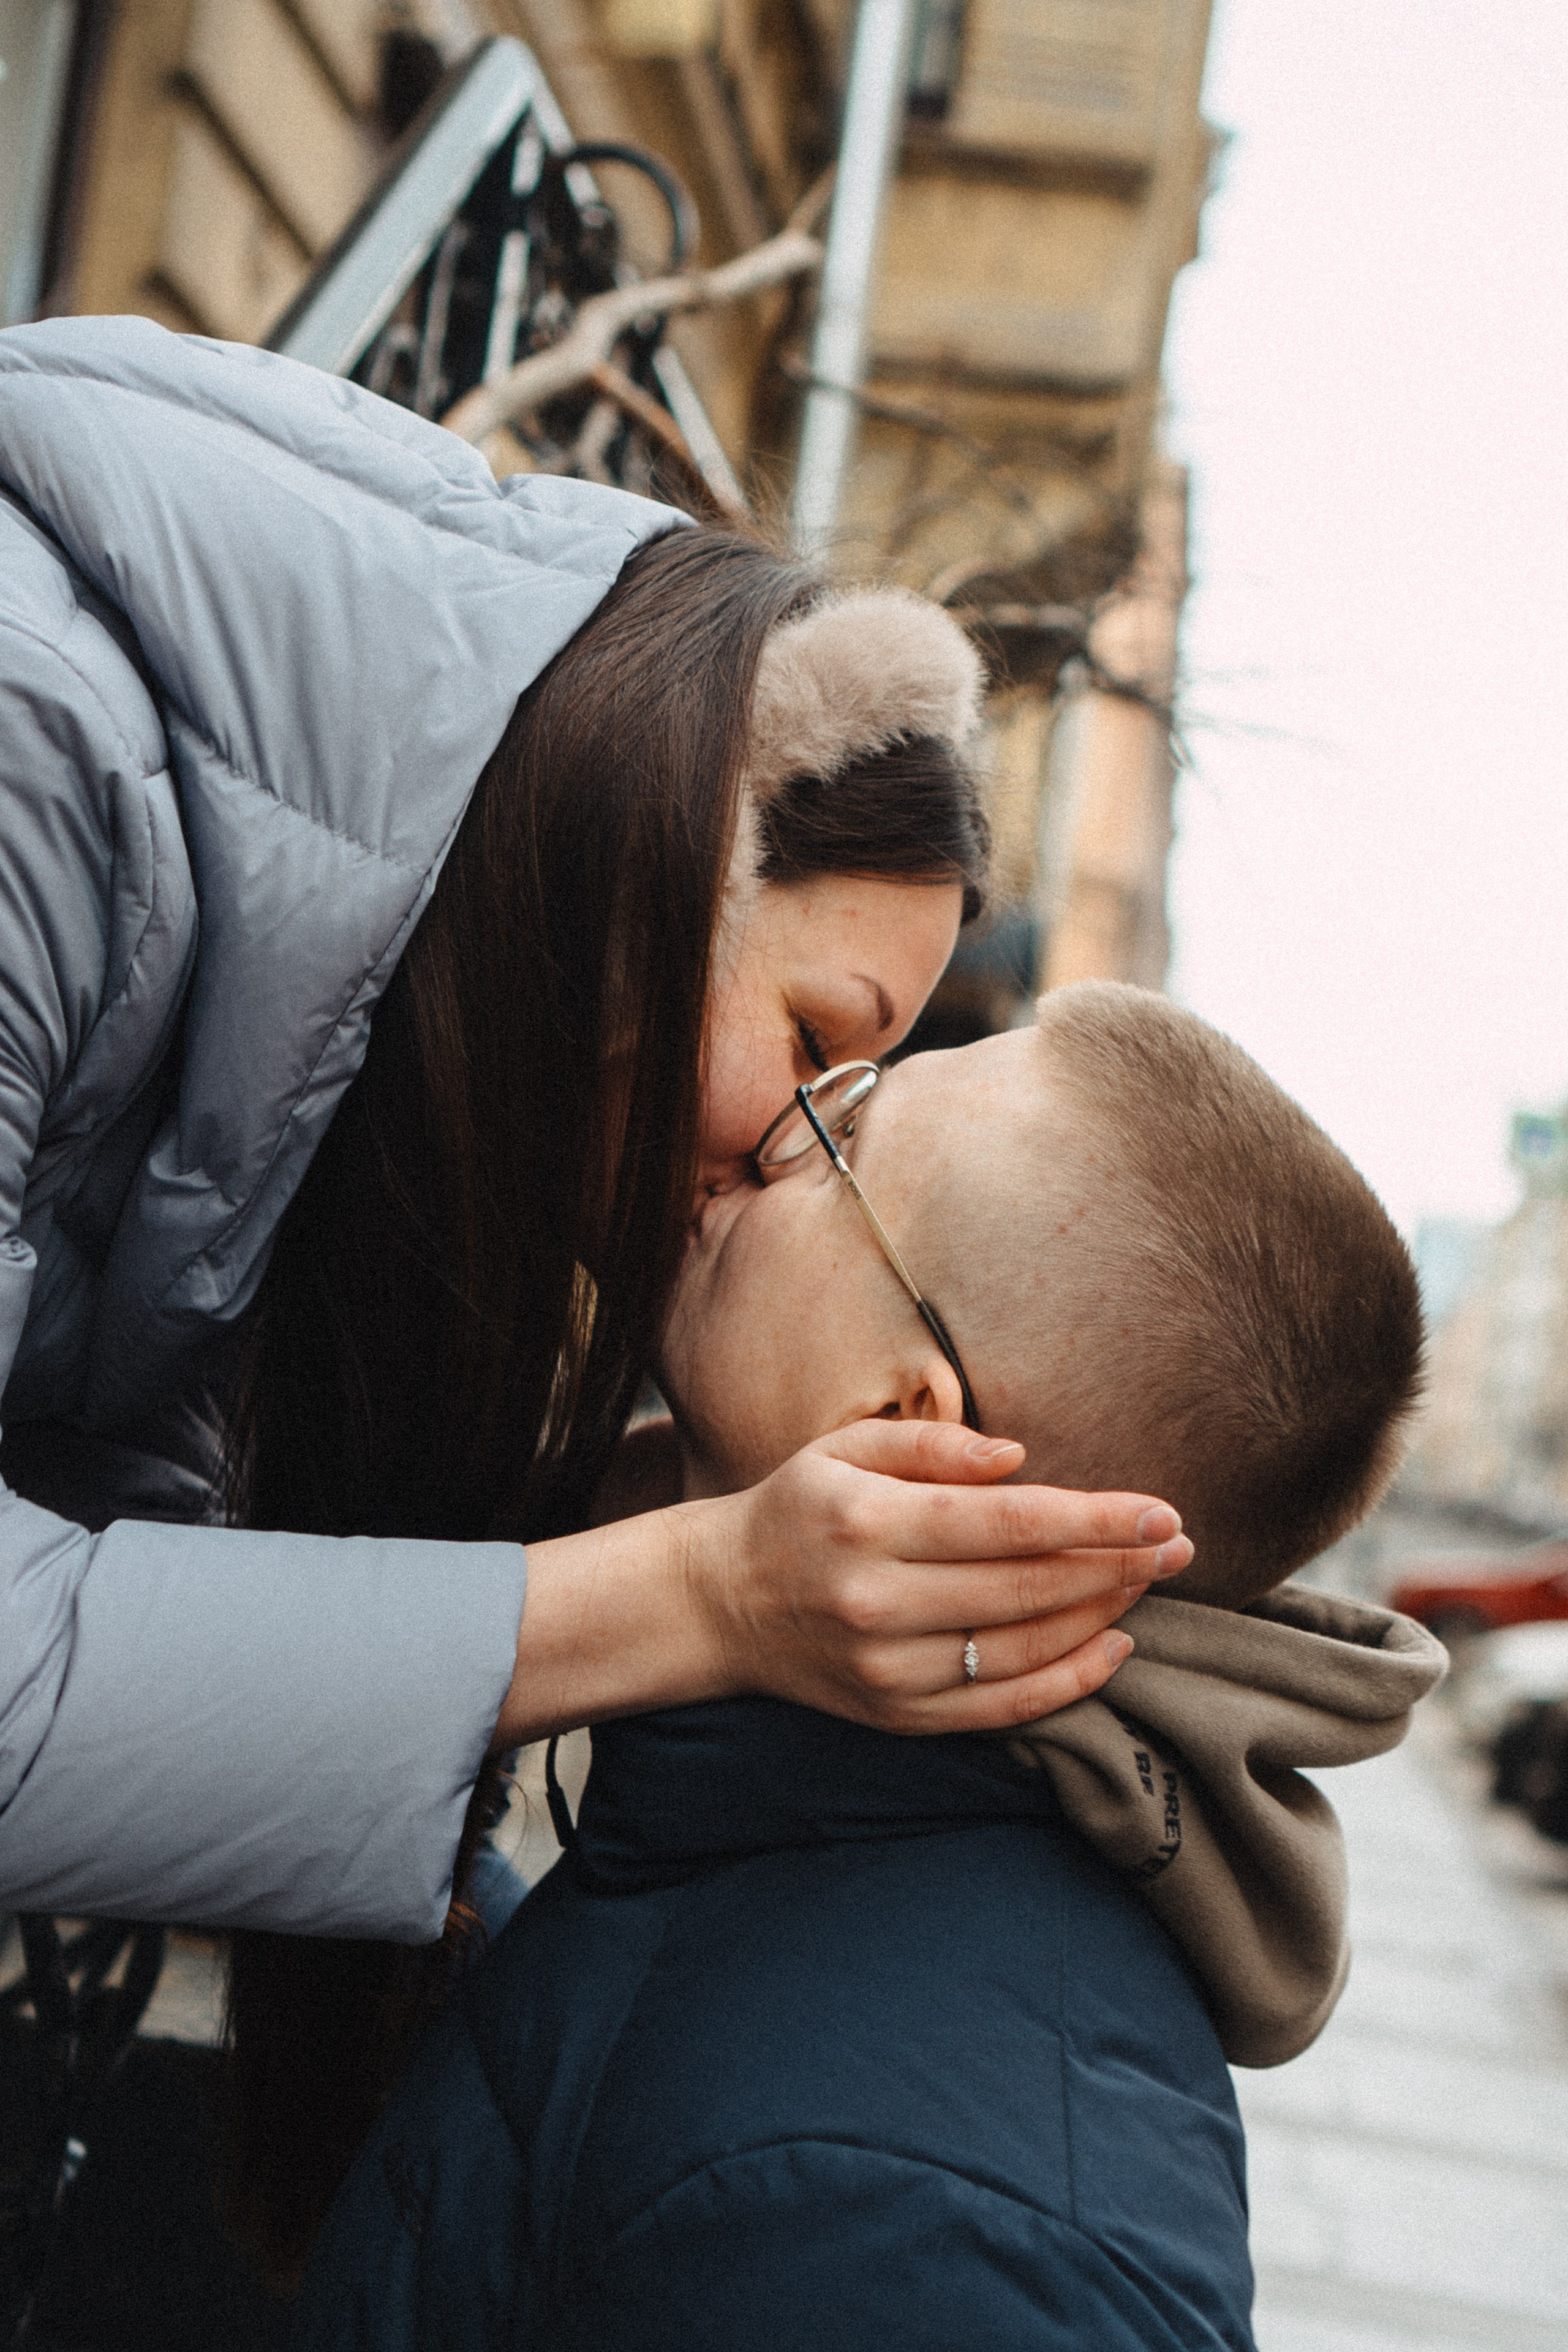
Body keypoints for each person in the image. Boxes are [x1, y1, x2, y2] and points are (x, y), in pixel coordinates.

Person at [0, 314, 1183, 1945]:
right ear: (667, 853)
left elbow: (109, 1491)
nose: (789, 1152)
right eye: (814, 1045)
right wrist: (702, 1597)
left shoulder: (328, 1020)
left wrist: (588, 1521)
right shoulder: (36, 763)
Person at [287, 983, 1441, 2348]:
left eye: (835, 1131)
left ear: (910, 1424)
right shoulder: (769, 1839)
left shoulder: (927, 2226)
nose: (760, 1128)